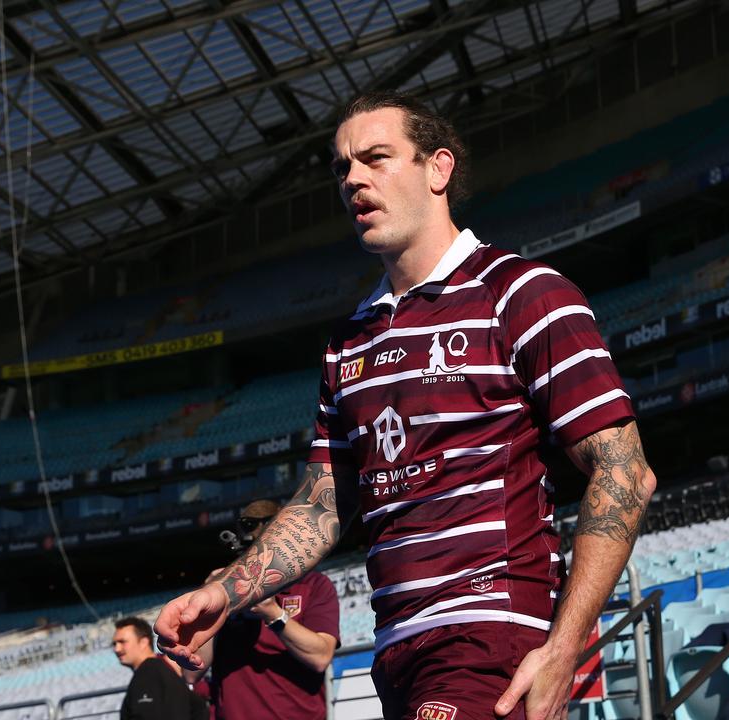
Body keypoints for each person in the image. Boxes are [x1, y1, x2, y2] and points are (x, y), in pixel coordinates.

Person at [156, 90, 657, 720]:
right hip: (396, 648)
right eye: (342, 167)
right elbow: (321, 507)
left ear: (438, 169)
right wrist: (226, 594)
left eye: (375, 158)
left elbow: (625, 472)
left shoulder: (520, 293)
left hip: (489, 632)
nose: (353, 180)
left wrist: (564, 647)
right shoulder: (349, 342)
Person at [182, 499, 340, 720]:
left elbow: (321, 657)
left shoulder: (314, 585)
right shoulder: (226, 590)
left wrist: (272, 613)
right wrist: (211, 611)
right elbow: (190, 674)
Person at [113, 617, 207, 720]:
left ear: (144, 642)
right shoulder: (160, 668)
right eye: (114, 644)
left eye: (122, 642)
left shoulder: (148, 674)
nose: (116, 649)